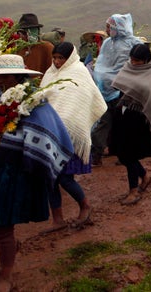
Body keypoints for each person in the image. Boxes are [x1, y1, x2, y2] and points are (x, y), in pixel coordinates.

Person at [0, 55, 74, 292]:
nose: (2, 80)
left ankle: (7, 276)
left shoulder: (34, 102)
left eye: (7, 75)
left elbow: (47, 129)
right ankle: (12, 247)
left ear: (19, 76)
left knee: (2, 226)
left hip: (12, 171)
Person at [40, 42, 107, 231]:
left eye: (61, 58)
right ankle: (58, 220)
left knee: (64, 178)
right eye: (55, 57)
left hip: (69, 135)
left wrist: (64, 123)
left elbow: (84, 101)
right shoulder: (50, 73)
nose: (57, 61)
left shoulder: (79, 72)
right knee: (50, 178)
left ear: (69, 57)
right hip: (50, 133)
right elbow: (44, 98)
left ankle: (85, 206)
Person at [109, 44, 151, 206]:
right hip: (123, 114)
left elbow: (150, 93)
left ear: (146, 59)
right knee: (121, 153)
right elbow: (119, 83)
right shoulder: (128, 66)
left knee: (130, 155)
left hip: (139, 117)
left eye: (137, 61)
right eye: (132, 59)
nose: (133, 63)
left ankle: (133, 191)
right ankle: (145, 176)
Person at [91, 13, 140, 166]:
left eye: (109, 27)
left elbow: (136, 65)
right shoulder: (107, 43)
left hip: (124, 90)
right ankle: (98, 153)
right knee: (103, 122)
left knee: (121, 123)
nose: (107, 29)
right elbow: (101, 63)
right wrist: (101, 77)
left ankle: (122, 154)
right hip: (105, 88)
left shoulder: (134, 43)